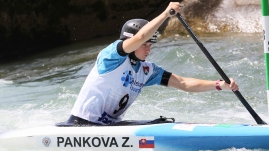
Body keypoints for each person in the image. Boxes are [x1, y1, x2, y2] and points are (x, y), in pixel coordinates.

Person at [68, 2, 239, 125]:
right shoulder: (111, 57)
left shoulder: (147, 70)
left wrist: (220, 85)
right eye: (145, 45)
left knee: (162, 122)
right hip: (82, 125)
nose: (148, 49)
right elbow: (140, 37)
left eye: (150, 45)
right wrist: (166, 14)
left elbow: (184, 84)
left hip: (109, 128)